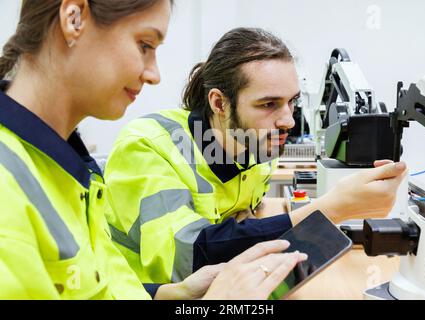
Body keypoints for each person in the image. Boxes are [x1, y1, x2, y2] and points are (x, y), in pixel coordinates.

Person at [0, 0, 308, 300]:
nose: (154, 74)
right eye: (144, 45)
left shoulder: (71, 169)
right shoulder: (8, 185)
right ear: (73, 18)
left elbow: (99, 288)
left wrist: (171, 295)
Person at [104, 27, 408, 285]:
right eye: (268, 105)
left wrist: (237, 228)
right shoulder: (147, 146)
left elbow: (243, 214)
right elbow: (187, 260)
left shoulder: (255, 146)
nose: (288, 120)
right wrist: (327, 210)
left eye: (291, 102)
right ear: (220, 103)